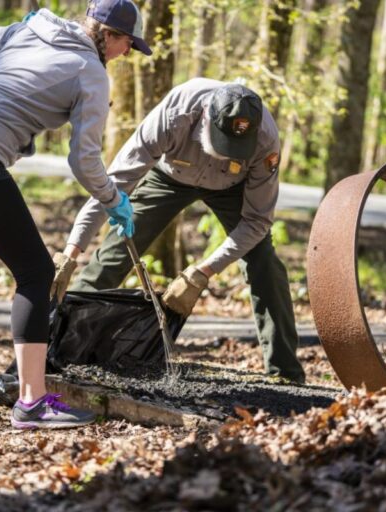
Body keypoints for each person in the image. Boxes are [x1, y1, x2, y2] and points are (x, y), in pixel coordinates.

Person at [0, 0, 151, 429]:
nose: (127, 52)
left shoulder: (32, 30)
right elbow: (84, 160)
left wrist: (12, 31)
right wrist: (112, 198)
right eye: (128, 43)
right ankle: (32, 402)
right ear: (109, 36)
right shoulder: (91, 73)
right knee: (36, 272)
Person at [51, 79, 305, 383]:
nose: (226, 153)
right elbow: (112, 185)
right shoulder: (174, 115)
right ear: (206, 117)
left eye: (234, 148)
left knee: (265, 264)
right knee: (115, 254)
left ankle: (286, 374)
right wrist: (71, 252)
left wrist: (203, 272)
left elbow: (257, 222)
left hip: (232, 188)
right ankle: (58, 348)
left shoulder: (265, 140)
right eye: (222, 143)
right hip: (168, 177)